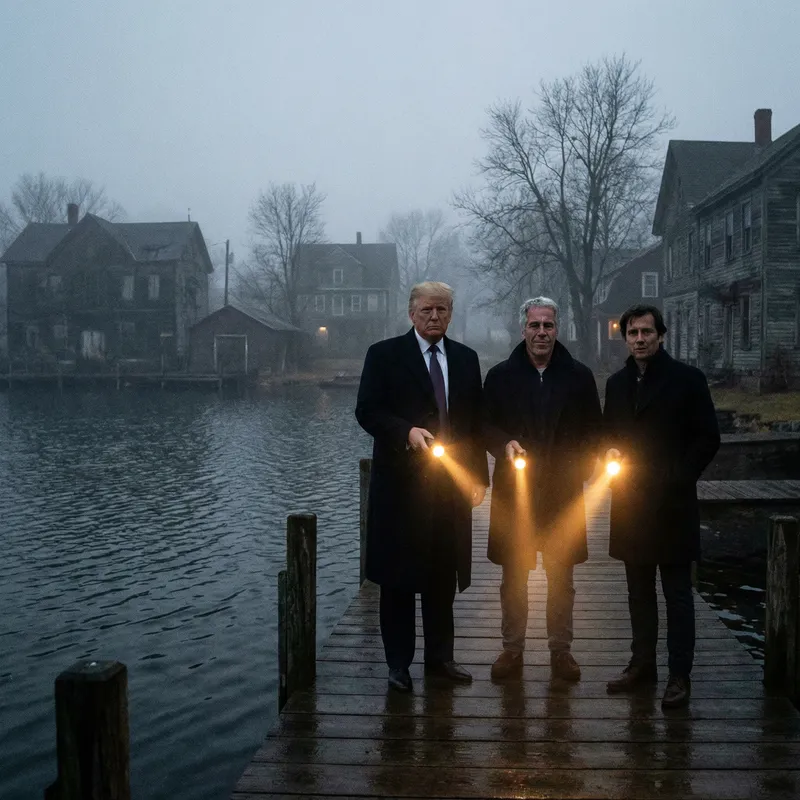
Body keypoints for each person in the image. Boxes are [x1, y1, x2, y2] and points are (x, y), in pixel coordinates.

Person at [355, 281, 489, 693]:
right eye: (428, 310)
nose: (435, 317)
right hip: (400, 489)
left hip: (449, 490)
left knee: (440, 577)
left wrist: (479, 478)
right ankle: (398, 665)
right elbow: (367, 411)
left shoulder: (466, 359)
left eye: (443, 310)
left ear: (451, 314)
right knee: (396, 581)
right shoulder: (384, 355)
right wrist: (405, 431)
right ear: (411, 312)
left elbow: (475, 425)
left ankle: (440, 659)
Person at [603, 304, 720, 709]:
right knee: (638, 593)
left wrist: (677, 477)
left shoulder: (688, 380)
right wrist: (610, 450)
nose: (639, 339)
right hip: (630, 504)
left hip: (672, 505)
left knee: (677, 594)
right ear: (626, 337)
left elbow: (708, 438)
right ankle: (642, 667)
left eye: (647, 332)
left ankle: (679, 676)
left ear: (660, 335)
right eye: (633, 333)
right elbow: (607, 436)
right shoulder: (616, 385)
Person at [483, 297, 602, 682]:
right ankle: (511, 649)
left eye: (548, 326)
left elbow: (593, 433)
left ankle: (560, 651)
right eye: (534, 326)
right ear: (523, 330)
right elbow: (484, 427)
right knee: (513, 577)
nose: (541, 333)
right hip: (514, 493)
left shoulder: (579, 376)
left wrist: (579, 467)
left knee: (561, 577)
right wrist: (504, 443)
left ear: (557, 329)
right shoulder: (500, 376)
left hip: (562, 493)